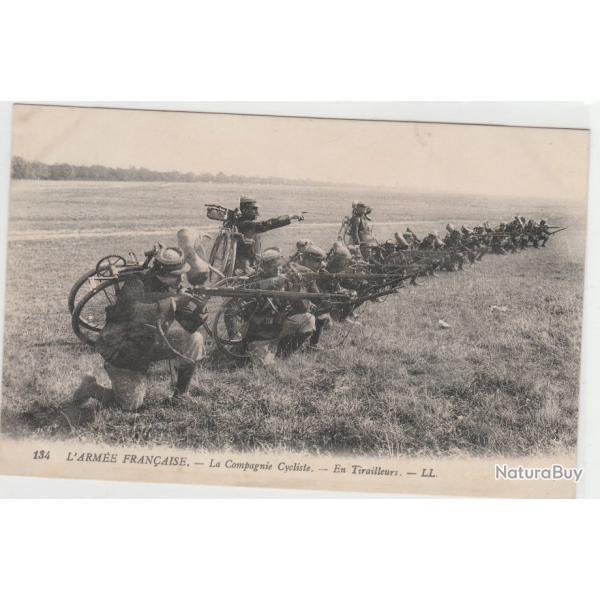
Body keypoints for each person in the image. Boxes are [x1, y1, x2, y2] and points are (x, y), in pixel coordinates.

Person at [71, 246, 208, 413]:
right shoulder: (137, 283)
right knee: (130, 405)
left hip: (149, 344)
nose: (181, 279)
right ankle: (91, 388)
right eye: (177, 275)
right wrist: (173, 302)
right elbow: (134, 312)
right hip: (122, 350)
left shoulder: (172, 289)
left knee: (194, 339)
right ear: (162, 274)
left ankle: (180, 395)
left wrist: (199, 312)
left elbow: (189, 325)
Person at [242, 249, 316, 365]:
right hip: (260, 335)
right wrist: (273, 282)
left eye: (279, 267)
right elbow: (246, 291)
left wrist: (296, 287)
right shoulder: (255, 280)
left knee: (308, 319)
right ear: (264, 267)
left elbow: (303, 309)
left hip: (280, 327)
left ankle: (285, 352)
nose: (277, 270)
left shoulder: (285, 280)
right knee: (264, 366)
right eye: (273, 268)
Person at [233, 196, 304, 273]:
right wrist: (290, 217)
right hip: (247, 266)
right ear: (244, 210)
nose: (257, 212)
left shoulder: (240, 222)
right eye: (254, 209)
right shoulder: (245, 224)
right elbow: (267, 224)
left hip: (249, 263)